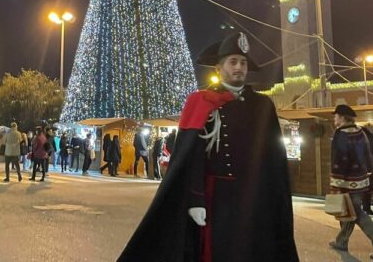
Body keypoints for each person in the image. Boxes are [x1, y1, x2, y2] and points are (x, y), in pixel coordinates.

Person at [119, 32, 299, 261]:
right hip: (217, 199)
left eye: (243, 62)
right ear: (218, 68)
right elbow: (191, 157)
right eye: (233, 62)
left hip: (254, 199)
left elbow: (274, 159)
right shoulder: (201, 102)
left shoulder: (263, 106)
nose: (239, 67)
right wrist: (195, 200)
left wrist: (274, 201)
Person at [329, 104, 373, 260]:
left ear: (342, 117)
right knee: (348, 212)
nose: (334, 118)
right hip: (361, 181)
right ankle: (341, 241)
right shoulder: (361, 132)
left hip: (346, 182)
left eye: (336, 115)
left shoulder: (341, 134)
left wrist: (336, 183)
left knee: (356, 214)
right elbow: (368, 156)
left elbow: (340, 159)